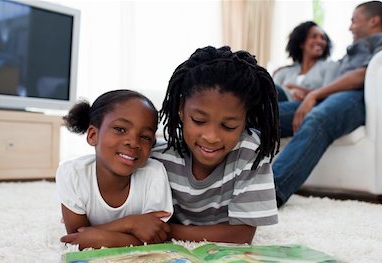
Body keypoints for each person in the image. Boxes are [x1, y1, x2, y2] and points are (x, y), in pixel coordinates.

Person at [273, 1, 382, 207]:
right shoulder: (348, 54)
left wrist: (315, 95)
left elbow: (361, 75)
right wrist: (309, 94)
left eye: (354, 21)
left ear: (374, 20)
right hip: (329, 99)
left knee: (317, 118)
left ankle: (269, 193)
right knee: (267, 115)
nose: (350, 27)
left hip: (355, 99)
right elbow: (332, 87)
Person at [151, 46, 280, 244]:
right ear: (180, 110)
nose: (211, 137)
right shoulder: (159, 157)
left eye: (229, 126)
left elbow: (241, 235)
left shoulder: (250, 152)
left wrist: (165, 231)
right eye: (198, 120)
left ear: (245, 121)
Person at [56, 90, 173, 250]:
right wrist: (131, 223)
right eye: (120, 129)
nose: (133, 142)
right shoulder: (72, 173)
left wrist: (100, 237)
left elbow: (155, 236)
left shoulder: (154, 174)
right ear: (93, 135)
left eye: (145, 137)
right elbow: (75, 237)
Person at [273, 21, 338, 101]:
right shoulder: (283, 71)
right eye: (314, 37)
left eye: (323, 38)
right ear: (301, 43)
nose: (320, 41)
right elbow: (270, 92)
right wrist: (290, 91)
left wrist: (292, 86)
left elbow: (328, 94)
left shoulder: (331, 66)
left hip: (309, 108)